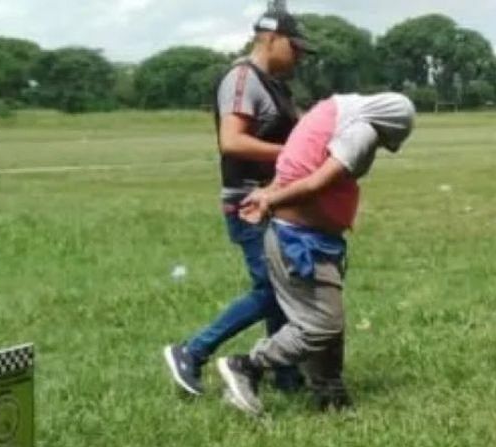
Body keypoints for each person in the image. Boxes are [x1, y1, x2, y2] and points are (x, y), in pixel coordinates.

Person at [214, 92, 416, 415]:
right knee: (321, 325)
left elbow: (295, 162)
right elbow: (317, 182)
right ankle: (247, 365)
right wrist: (271, 200)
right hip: (301, 241)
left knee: (329, 320)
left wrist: (272, 192)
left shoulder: (336, 114)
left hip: (305, 237)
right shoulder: (362, 133)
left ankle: (330, 394)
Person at [164, 9, 315, 400]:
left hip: (275, 200)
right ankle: (192, 351)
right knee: (273, 288)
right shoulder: (242, 78)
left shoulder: (277, 85)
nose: (300, 56)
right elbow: (232, 141)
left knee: (282, 285)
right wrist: (290, 155)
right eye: (295, 47)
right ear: (270, 38)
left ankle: (285, 375)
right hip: (248, 202)